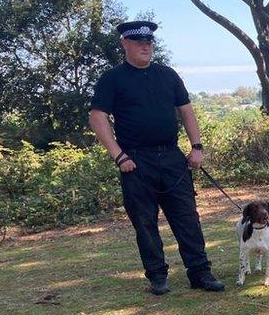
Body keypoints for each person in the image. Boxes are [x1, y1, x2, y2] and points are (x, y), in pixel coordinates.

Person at [89, 21, 224, 295]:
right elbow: (97, 117)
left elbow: (186, 110)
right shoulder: (112, 78)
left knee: (187, 218)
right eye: (139, 43)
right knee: (145, 222)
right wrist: (119, 156)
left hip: (172, 158)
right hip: (135, 162)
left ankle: (200, 273)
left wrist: (196, 147)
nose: (145, 47)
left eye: (149, 43)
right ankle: (157, 277)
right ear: (124, 44)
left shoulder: (168, 75)